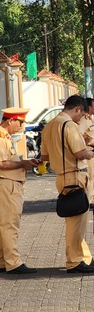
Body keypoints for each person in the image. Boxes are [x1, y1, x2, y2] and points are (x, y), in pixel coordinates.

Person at [41, 95, 94, 273]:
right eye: (81, 114)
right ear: (78, 109)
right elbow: (80, 153)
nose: (80, 118)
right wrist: (89, 153)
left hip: (61, 177)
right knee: (77, 223)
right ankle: (74, 261)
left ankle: (80, 257)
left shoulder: (49, 125)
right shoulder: (69, 125)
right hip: (74, 175)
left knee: (72, 221)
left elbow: (44, 156)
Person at [0, 108, 42, 274]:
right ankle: (13, 262)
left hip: (9, 183)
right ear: (10, 120)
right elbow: (2, 163)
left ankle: (3, 260)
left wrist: (25, 162)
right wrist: (22, 164)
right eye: (20, 122)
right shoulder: (1, 137)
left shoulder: (6, 136)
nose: (22, 126)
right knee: (10, 224)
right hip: (7, 184)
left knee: (4, 224)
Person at [77, 98, 94, 203]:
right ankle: (90, 200)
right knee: (89, 177)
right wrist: (85, 141)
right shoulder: (83, 120)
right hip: (88, 150)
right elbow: (78, 135)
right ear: (89, 107)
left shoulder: (90, 119)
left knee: (92, 176)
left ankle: (92, 197)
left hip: (93, 151)